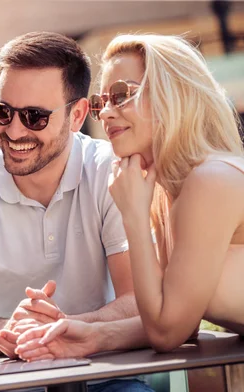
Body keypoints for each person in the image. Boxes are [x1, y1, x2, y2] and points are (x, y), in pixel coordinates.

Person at [0, 31, 152, 391]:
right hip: (2, 385)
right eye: (2, 112)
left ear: (77, 114)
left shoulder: (112, 174)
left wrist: (66, 329)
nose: (14, 131)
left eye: (34, 116)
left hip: (104, 379)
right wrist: (9, 331)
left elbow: (140, 300)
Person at [16, 34, 244, 356]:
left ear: (172, 96)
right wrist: (90, 335)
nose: (106, 113)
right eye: (101, 102)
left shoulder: (211, 181)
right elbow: (180, 317)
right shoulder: (171, 194)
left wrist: (134, 216)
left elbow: (168, 331)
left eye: (121, 95)